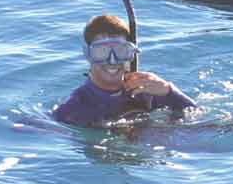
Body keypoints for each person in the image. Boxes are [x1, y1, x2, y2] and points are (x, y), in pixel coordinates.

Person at [52, 14, 196, 127]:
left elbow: (196, 115)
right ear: (88, 54)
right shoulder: (74, 108)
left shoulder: (147, 90)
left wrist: (169, 91)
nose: (113, 61)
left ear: (132, 53)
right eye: (102, 52)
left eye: (121, 51)